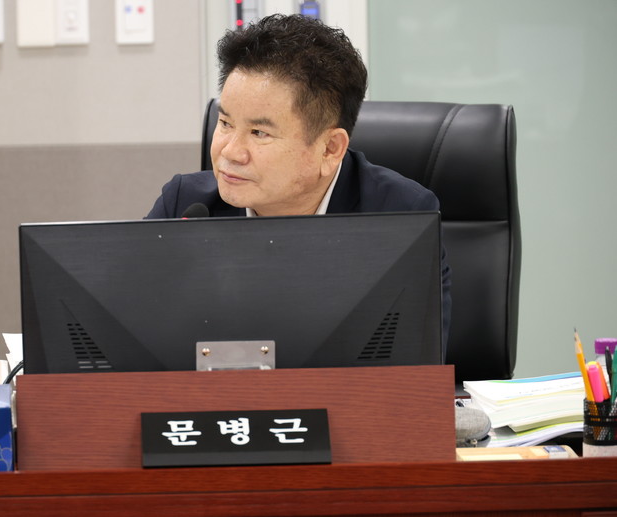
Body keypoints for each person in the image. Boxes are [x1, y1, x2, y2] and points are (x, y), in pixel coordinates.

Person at [146, 14, 451, 348]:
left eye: (259, 132)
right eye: (225, 123)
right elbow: (136, 344)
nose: (230, 152)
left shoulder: (399, 216)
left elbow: (411, 360)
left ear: (329, 149)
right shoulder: (185, 207)